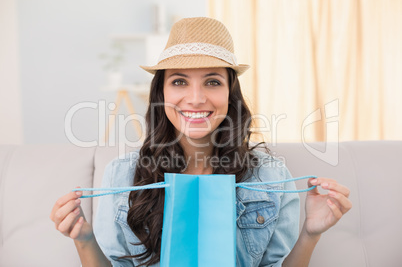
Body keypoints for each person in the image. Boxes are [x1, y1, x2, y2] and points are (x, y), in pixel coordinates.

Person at [50, 17, 352, 267]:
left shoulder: (272, 177)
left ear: (230, 94)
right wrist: (84, 239)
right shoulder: (122, 176)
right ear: (162, 94)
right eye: (179, 81)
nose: (195, 98)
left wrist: (310, 234)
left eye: (212, 81)